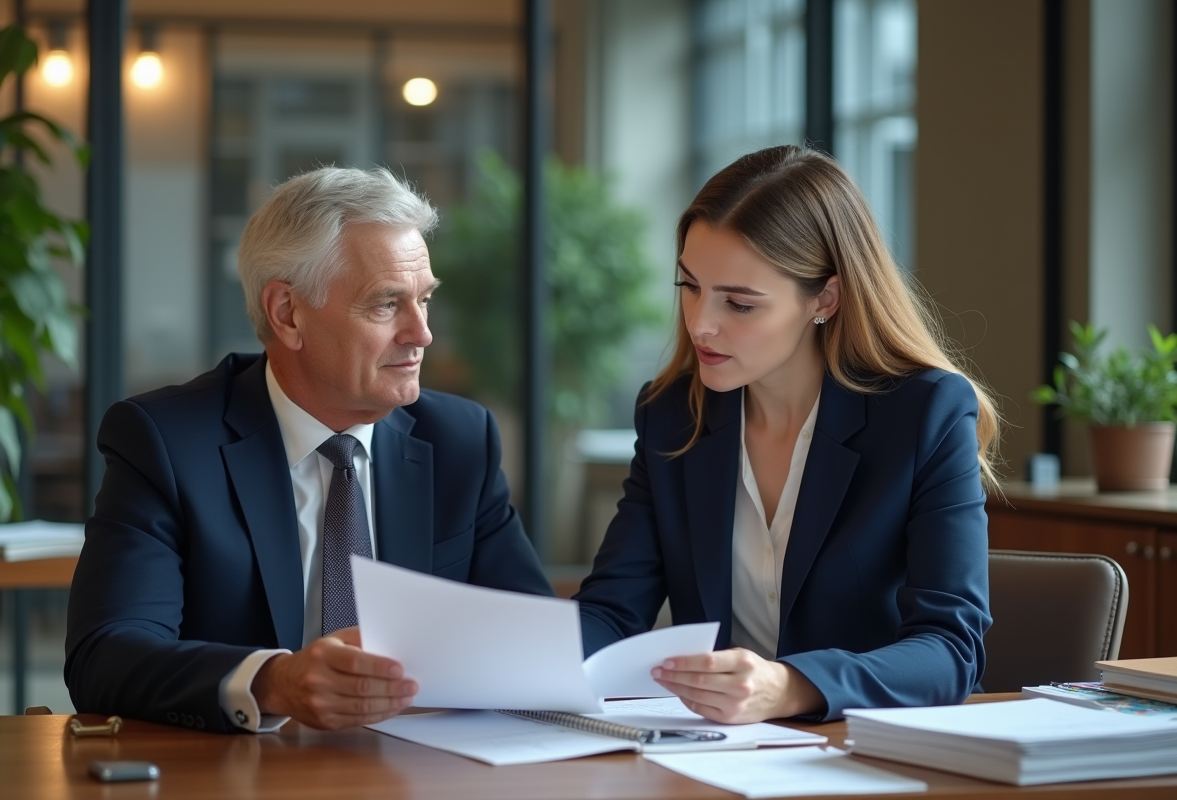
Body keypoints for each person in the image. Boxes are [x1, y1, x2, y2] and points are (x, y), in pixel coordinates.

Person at [65, 167, 552, 733]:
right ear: (287, 314)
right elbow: (105, 655)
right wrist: (274, 682)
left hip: (420, 773)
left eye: (424, 300)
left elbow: (534, 644)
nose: (422, 333)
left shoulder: (459, 439)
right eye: (386, 304)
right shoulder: (166, 442)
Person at [573, 145, 998, 724]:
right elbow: (613, 612)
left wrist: (792, 686)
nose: (701, 322)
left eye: (740, 304)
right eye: (691, 286)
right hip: (719, 761)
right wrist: (507, 662)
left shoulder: (925, 414)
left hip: (863, 757)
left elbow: (952, 650)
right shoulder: (672, 414)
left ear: (824, 298)